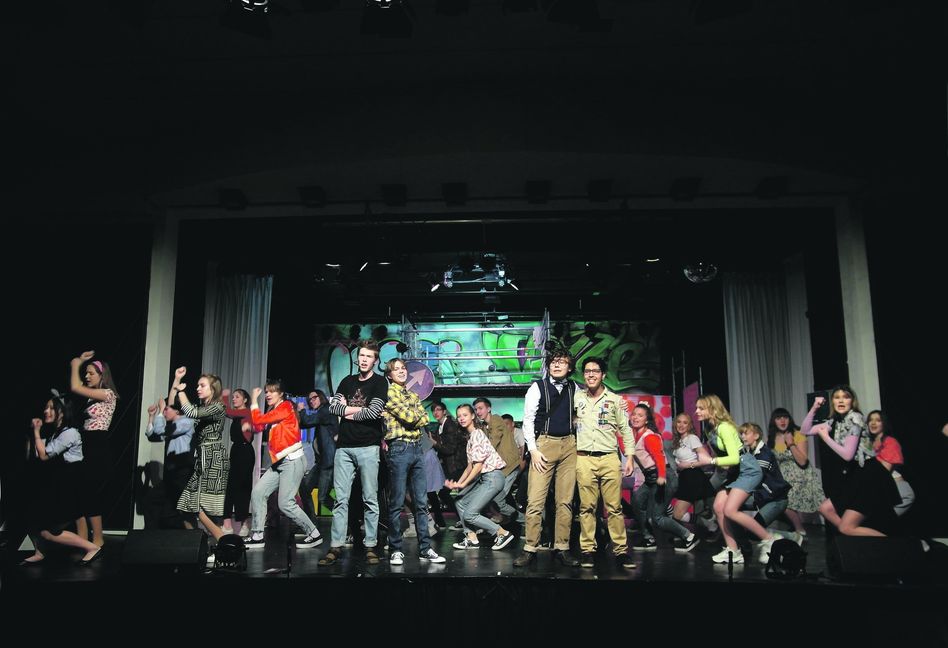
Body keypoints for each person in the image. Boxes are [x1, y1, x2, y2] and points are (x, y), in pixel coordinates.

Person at [319, 340, 388, 566]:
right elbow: (334, 408)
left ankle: (370, 545)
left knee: (370, 499)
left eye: (369, 356)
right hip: (344, 448)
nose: (364, 359)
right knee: (341, 500)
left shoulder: (380, 382)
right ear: (357, 358)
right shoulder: (347, 381)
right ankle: (336, 546)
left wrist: (348, 411)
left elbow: (375, 412)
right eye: (362, 356)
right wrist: (360, 411)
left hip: (368, 447)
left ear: (375, 360)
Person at [802, 386, 900, 536]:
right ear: (832, 401)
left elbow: (848, 455)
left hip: (869, 475)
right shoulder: (834, 420)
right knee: (825, 509)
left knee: (847, 527)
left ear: (852, 401)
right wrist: (814, 408)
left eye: (845, 397)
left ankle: (893, 545)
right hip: (855, 475)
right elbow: (805, 430)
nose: (841, 400)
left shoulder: (856, 418)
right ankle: (854, 537)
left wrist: (826, 438)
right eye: (837, 397)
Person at [514, 348, 580, 568]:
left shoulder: (574, 387)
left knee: (565, 502)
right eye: (553, 362)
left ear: (569, 367)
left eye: (562, 362)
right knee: (535, 501)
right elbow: (528, 420)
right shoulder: (537, 387)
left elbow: (582, 413)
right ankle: (530, 548)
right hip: (544, 446)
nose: (557, 365)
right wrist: (532, 449)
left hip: (569, 446)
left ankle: (562, 547)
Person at [21, 396, 101, 566]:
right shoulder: (56, 434)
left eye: (51, 408)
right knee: (34, 518)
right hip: (61, 482)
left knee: (48, 530)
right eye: (46, 407)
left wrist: (36, 432)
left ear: (62, 412)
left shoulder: (70, 432)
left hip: (71, 483)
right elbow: (37, 451)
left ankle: (91, 547)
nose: (46, 411)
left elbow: (44, 455)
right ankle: (40, 552)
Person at [573, 357, 636, 569]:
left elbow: (626, 430)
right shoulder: (576, 398)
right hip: (583, 458)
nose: (591, 374)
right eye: (587, 371)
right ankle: (587, 550)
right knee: (586, 507)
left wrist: (630, 457)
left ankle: (621, 551)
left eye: (595, 371)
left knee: (615, 508)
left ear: (603, 375)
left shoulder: (616, 400)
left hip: (609, 457)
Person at [381, 359, 445, 565]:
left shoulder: (413, 394)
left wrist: (418, 416)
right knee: (397, 501)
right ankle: (396, 549)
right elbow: (410, 418)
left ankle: (425, 549)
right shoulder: (389, 392)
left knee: (421, 502)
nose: (401, 372)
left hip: (417, 447)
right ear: (389, 375)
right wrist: (418, 416)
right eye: (396, 369)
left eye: (403, 369)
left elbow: (423, 417)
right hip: (399, 448)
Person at [244, 379, 322, 549]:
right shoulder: (275, 410)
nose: (267, 394)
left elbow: (258, 421)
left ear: (280, 394)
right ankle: (257, 535)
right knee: (258, 493)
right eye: (266, 392)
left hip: (292, 461)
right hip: (280, 463)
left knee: (285, 503)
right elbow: (258, 425)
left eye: (271, 391)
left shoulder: (286, 406)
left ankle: (313, 533)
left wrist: (254, 401)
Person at [170, 367, 229, 541]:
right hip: (202, 458)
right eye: (197, 385)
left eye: (202, 385)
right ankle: (197, 543)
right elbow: (173, 403)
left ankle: (222, 541)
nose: (197, 388)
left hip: (213, 458)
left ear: (213, 389)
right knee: (185, 505)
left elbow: (191, 412)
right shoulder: (204, 407)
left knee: (202, 509)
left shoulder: (217, 406)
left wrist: (181, 391)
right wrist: (177, 379)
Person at [447, 405, 516, 551]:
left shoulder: (477, 434)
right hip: (485, 479)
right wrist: (458, 484)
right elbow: (469, 467)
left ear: (473, 416)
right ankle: (471, 538)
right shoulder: (471, 438)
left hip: (493, 478)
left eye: (465, 415)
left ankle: (502, 533)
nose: (461, 418)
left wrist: (463, 483)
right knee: (460, 501)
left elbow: (478, 466)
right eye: (459, 416)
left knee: (470, 514)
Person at [69, 350, 118, 548]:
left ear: (101, 376)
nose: (86, 376)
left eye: (90, 373)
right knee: (78, 492)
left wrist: (76, 363)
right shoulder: (92, 398)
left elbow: (74, 386)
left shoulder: (107, 394)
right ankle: (82, 538)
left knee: (89, 493)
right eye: (85, 372)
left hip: (97, 446)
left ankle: (98, 539)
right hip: (87, 444)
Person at [768, 407, 824, 538]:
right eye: (778, 418)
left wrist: (791, 443)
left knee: (818, 506)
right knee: (781, 503)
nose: (782, 421)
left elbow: (803, 460)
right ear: (774, 421)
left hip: (802, 476)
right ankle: (799, 531)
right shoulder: (771, 438)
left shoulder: (798, 433)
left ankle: (800, 530)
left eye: (785, 417)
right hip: (784, 478)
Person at [866, 410, 914, 517]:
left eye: (878, 420)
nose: (873, 423)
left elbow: (884, 470)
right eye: (870, 420)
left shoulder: (890, 442)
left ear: (884, 423)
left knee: (884, 522)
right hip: (882, 488)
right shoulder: (868, 443)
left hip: (898, 490)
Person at [222, 389, 255, 535]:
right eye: (233, 397)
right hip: (236, 451)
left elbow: (227, 411)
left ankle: (244, 523)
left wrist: (224, 396)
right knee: (230, 487)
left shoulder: (246, 412)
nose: (234, 399)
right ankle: (227, 523)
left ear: (245, 400)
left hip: (245, 453)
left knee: (242, 488)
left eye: (237, 397)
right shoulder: (237, 416)